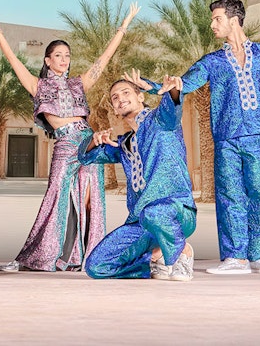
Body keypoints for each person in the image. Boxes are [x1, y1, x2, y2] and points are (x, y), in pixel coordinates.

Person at [147, 0, 260, 275]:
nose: (212, 25)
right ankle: (235, 257)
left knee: (257, 195)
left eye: (216, 19)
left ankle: (256, 257)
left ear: (234, 20)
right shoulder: (214, 61)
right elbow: (186, 83)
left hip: (256, 136)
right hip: (226, 139)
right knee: (230, 195)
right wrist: (152, 86)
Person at [0, 3, 139, 272]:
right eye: (57, 55)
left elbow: (103, 60)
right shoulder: (37, 85)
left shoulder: (80, 83)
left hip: (88, 141)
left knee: (91, 201)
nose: (64, 59)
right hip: (65, 144)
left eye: (67, 55)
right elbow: (13, 60)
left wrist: (123, 27)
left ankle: (89, 257)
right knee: (56, 196)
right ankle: (36, 256)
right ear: (47, 60)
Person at [79, 74, 196, 281]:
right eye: (115, 97)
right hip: (142, 223)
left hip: (176, 211)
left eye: (126, 93)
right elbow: (87, 157)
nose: (120, 98)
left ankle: (182, 253)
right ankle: (154, 258)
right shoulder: (123, 144)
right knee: (96, 267)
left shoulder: (161, 121)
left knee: (153, 213)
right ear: (114, 109)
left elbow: (174, 103)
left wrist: (169, 90)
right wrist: (94, 141)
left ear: (140, 97)